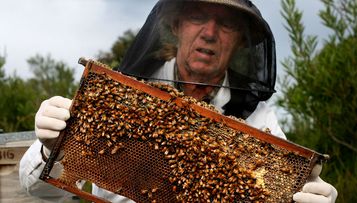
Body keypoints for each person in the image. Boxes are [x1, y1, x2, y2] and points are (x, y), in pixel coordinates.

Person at [19, 0, 338, 202]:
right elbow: (40, 191)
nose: (210, 33)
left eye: (226, 24)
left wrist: (310, 196)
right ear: (176, 26)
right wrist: (50, 147)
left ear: (239, 40)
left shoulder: (260, 117)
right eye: (198, 16)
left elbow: (279, 189)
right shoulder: (119, 95)